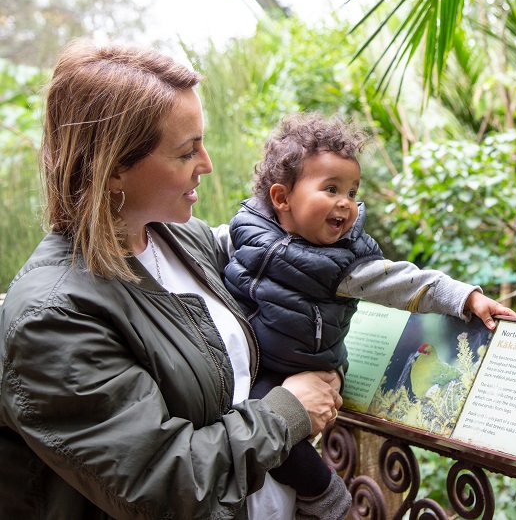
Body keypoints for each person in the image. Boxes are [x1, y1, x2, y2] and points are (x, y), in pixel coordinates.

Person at [0, 40, 343, 520]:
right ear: (114, 169)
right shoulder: (52, 317)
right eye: (186, 152)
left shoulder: (181, 238)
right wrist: (286, 414)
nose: (206, 163)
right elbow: (161, 481)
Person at [224, 112, 516, 519]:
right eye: (331, 188)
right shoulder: (245, 232)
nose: (346, 202)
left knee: (278, 440)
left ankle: (330, 501)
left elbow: (405, 281)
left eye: (352, 190)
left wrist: (466, 297)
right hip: (247, 362)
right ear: (281, 198)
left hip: (300, 370)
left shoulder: (345, 263)